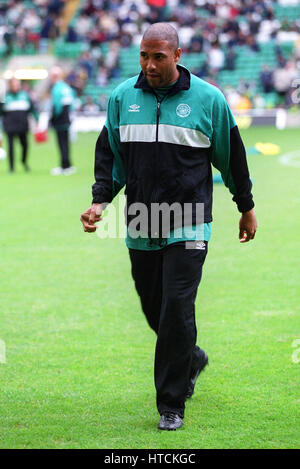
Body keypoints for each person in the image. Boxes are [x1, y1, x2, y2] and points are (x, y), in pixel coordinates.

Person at [80, 23, 257, 431]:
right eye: (144, 55)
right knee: (154, 309)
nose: (149, 64)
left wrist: (245, 205)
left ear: (177, 55)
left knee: (177, 308)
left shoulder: (209, 99)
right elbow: (110, 155)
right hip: (142, 221)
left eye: (158, 56)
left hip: (190, 223)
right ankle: (190, 358)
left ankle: (171, 404)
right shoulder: (123, 97)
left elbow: (232, 157)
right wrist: (99, 200)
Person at [0, 77, 38, 172]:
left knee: (25, 145)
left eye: (17, 84)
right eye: (13, 85)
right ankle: (11, 167)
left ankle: (24, 161)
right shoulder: (5, 97)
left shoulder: (25, 95)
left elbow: (32, 109)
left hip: (23, 125)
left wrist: (37, 120)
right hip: (10, 126)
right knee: (11, 147)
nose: (15, 86)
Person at [49, 66, 76, 175]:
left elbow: (57, 106)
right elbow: (72, 104)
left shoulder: (56, 88)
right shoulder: (67, 87)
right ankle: (66, 164)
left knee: (62, 143)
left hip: (60, 119)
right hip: (68, 118)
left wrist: (52, 118)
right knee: (65, 143)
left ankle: (65, 166)